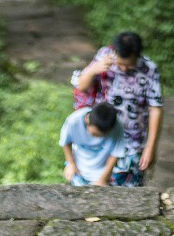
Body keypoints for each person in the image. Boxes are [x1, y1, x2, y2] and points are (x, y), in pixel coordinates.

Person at [72, 31, 162, 186]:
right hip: (103, 137)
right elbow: (81, 86)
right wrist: (94, 69)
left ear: (138, 55)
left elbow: (155, 108)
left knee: (129, 190)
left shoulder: (149, 69)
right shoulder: (105, 56)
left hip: (132, 141)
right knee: (95, 187)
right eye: (120, 64)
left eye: (129, 65)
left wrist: (151, 146)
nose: (124, 69)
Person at [59, 100, 126, 186]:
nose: (99, 138)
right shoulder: (74, 121)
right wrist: (71, 164)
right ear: (87, 120)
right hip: (79, 166)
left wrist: (103, 179)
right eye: (95, 134)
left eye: (104, 135)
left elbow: (116, 154)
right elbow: (65, 142)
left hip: (102, 170)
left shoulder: (117, 126)